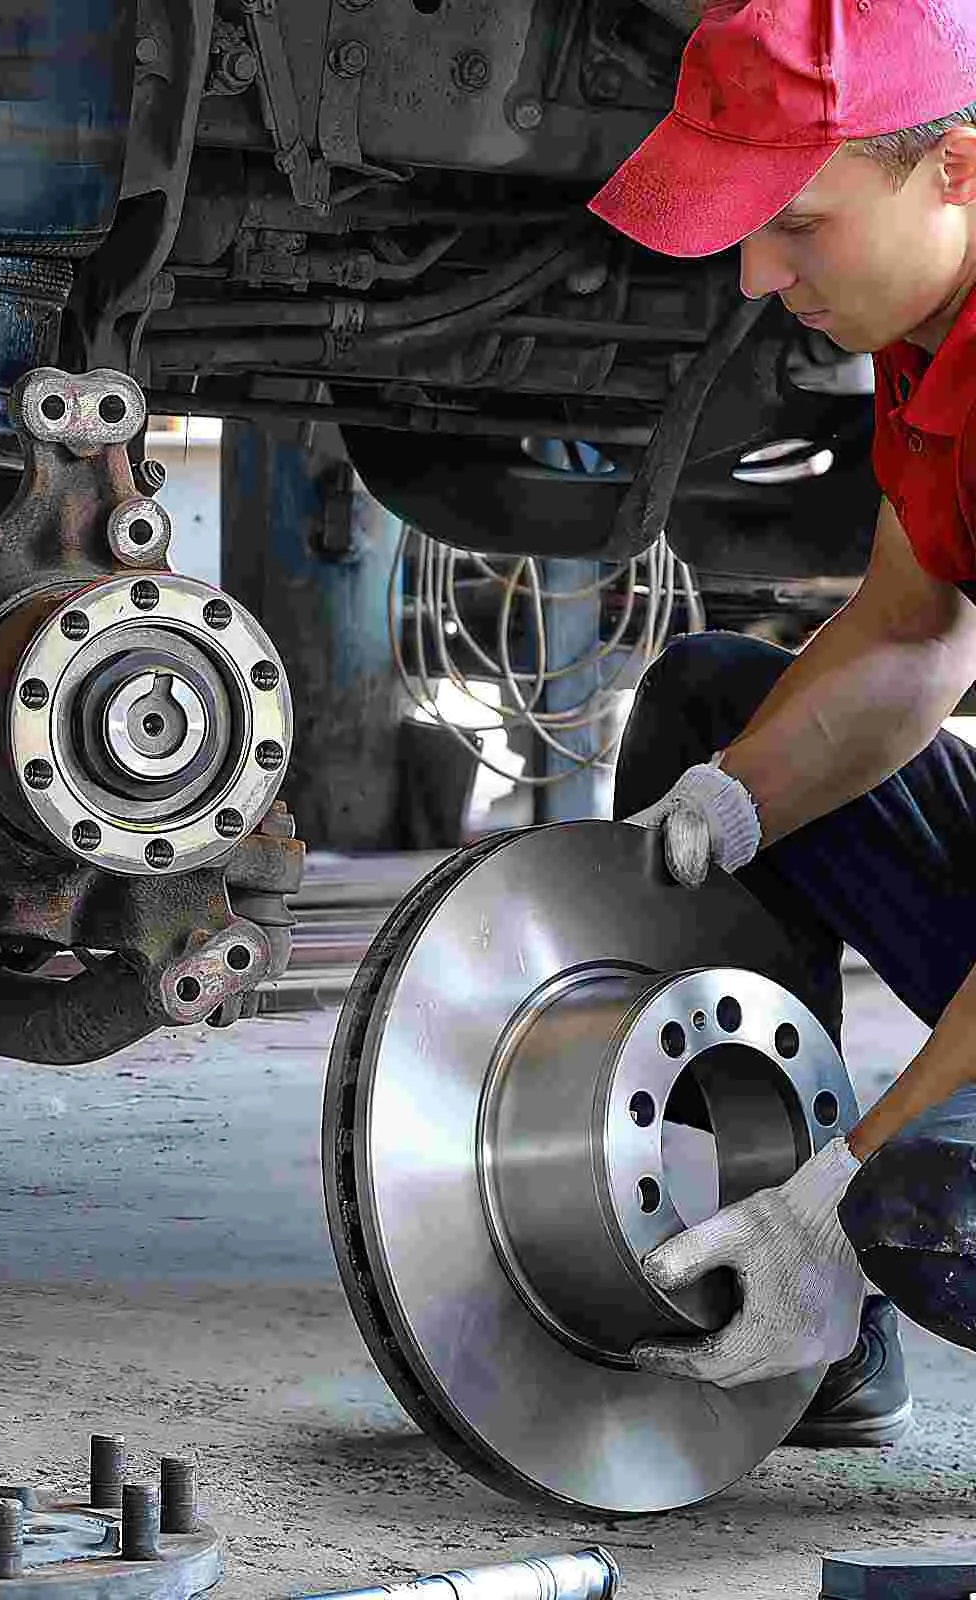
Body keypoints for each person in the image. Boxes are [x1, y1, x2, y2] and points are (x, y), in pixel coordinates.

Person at [587, 0, 976, 1444]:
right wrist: (734, 803)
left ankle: (828, 1240)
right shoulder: (932, 330)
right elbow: (909, 628)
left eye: (798, 225)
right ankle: (796, 1301)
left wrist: (847, 1190)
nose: (757, 273)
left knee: (931, 1210)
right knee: (712, 708)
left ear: (958, 172)